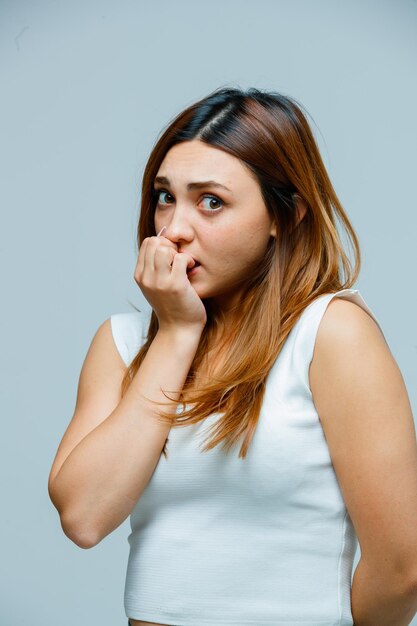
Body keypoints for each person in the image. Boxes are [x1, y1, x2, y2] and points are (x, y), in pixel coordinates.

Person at [48, 86, 417, 626]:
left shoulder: (330, 335)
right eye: (165, 196)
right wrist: (176, 334)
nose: (173, 228)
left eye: (211, 201)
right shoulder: (122, 344)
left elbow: (402, 569)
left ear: (283, 216)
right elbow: (84, 517)